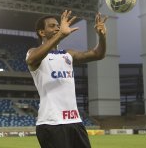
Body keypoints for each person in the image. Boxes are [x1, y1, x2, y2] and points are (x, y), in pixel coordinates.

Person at [26, 10, 108, 148]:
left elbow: (98, 54)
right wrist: (60, 35)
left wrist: (102, 37)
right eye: (52, 26)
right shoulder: (35, 53)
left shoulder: (68, 54)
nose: (57, 27)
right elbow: (31, 60)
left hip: (74, 122)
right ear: (42, 32)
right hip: (51, 123)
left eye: (58, 25)